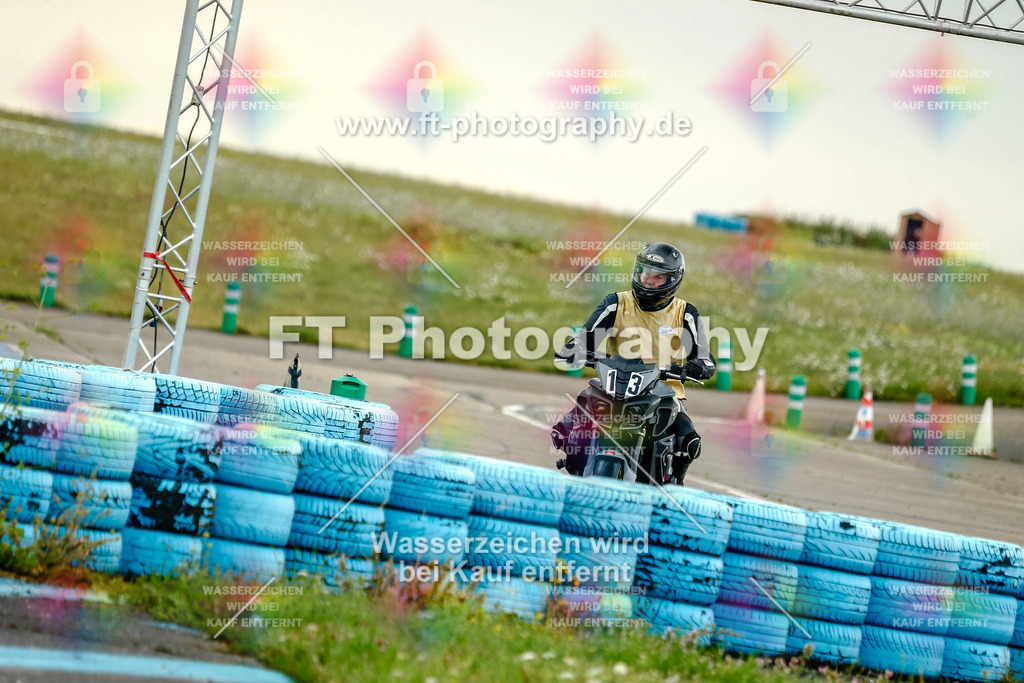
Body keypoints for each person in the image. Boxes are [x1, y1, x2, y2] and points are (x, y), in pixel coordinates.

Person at [552, 242, 715, 484]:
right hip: (613, 385)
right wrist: (575, 348)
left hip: (665, 392)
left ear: (673, 280)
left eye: (657, 277)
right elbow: (588, 335)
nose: (648, 281)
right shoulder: (616, 303)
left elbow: (702, 354)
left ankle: (676, 487)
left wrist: (699, 365)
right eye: (645, 273)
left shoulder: (685, 313)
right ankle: (576, 469)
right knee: (563, 429)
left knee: (688, 440)